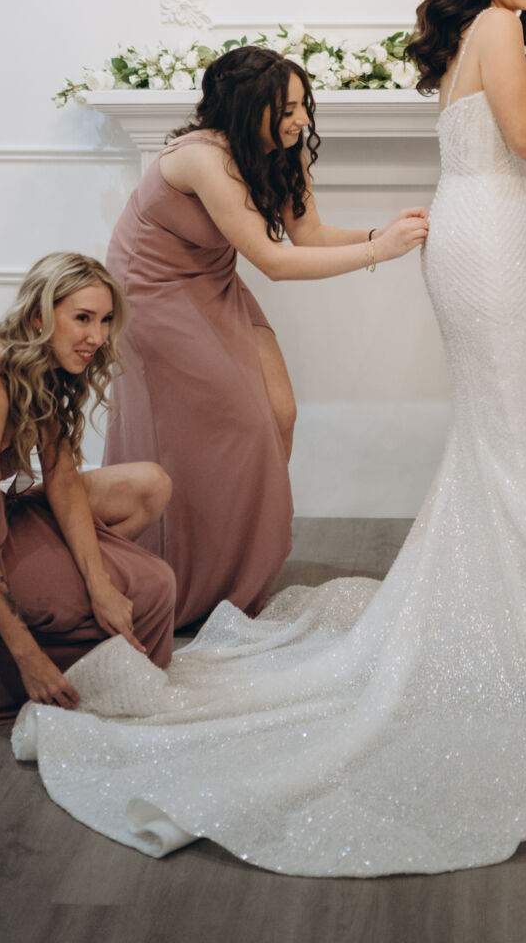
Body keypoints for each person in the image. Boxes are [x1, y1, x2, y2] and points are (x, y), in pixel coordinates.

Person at [12, 0, 526, 874]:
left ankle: (522, 593)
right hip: (480, 242)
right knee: (512, 426)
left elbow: (491, 154)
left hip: (482, 240)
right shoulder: (495, 27)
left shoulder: (475, 32)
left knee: (507, 428)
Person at [102, 44, 429, 627]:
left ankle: (240, 570)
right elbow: (274, 263)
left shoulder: (281, 151)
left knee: (279, 414)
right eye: (287, 110)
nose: (302, 120)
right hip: (150, 293)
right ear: (246, 108)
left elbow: (309, 237)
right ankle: (179, 576)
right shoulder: (202, 157)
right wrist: (380, 252)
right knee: (226, 428)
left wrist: (381, 233)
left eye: (304, 106)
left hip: (212, 280)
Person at [0, 252, 176, 726]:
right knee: (150, 587)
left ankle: (40, 614)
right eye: (82, 318)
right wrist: (29, 657)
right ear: (40, 316)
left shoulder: (35, 360)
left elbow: (62, 479)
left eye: (105, 320)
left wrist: (99, 583)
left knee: (150, 490)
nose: (97, 337)